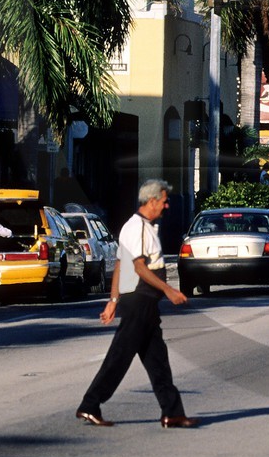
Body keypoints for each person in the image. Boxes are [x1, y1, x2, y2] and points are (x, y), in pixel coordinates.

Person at [76, 179, 198, 429]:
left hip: (144, 302)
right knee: (119, 357)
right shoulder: (138, 227)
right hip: (140, 300)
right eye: (164, 201)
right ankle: (89, 404)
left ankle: (172, 412)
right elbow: (139, 267)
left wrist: (112, 301)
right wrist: (169, 289)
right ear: (152, 201)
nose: (166, 206)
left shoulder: (141, 227)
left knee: (157, 360)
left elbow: (120, 265)